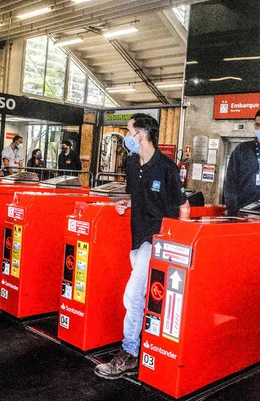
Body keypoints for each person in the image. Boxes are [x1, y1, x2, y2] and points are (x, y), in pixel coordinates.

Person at [94, 113, 190, 379]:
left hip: (156, 239)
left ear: (141, 135)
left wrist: (178, 243)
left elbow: (183, 207)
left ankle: (129, 353)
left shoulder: (167, 168)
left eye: (129, 131)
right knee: (142, 295)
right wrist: (127, 204)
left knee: (133, 294)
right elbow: (144, 198)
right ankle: (142, 340)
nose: (127, 136)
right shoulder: (133, 162)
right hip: (137, 237)